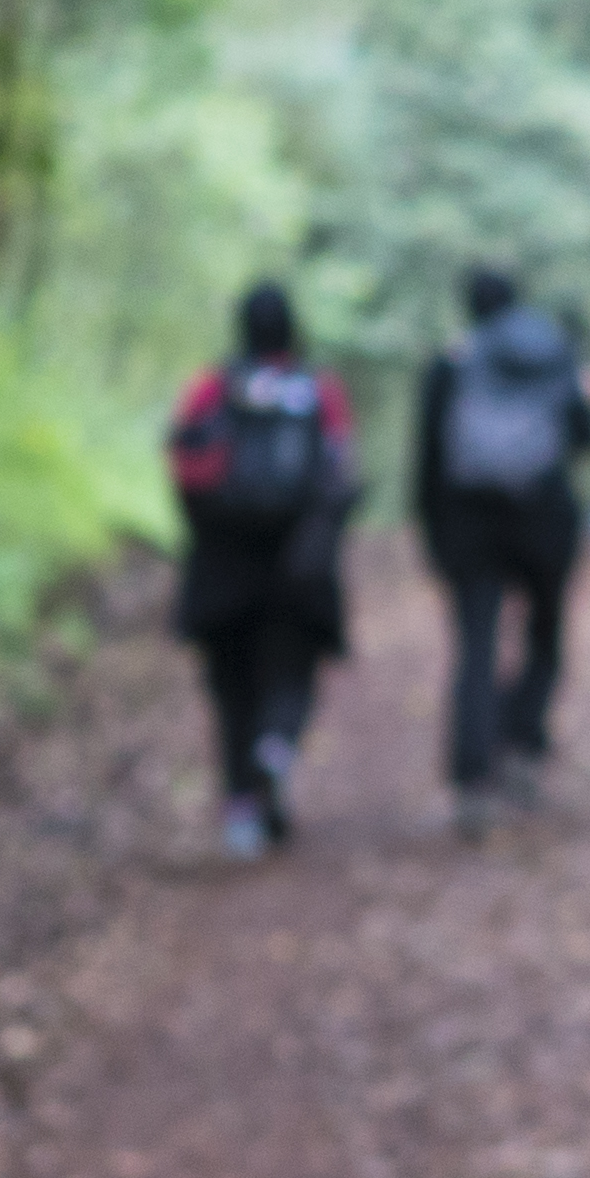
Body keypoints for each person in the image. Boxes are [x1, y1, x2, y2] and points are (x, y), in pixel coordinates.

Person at [162, 284, 354, 859]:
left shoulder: (210, 386)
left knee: (230, 689)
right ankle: (276, 747)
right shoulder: (319, 390)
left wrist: (207, 532)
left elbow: (183, 467)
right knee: (293, 672)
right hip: (298, 564)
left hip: (223, 563)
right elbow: (341, 474)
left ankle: (241, 806)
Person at [414, 262, 590, 821]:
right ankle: (523, 744)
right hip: (545, 518)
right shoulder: (558, 353)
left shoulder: (452, 364)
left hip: (471, 526)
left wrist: (431, 531)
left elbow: (427, 461)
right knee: (544, 633)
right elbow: (585, 439)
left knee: (476, 643)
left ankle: (472, 776)